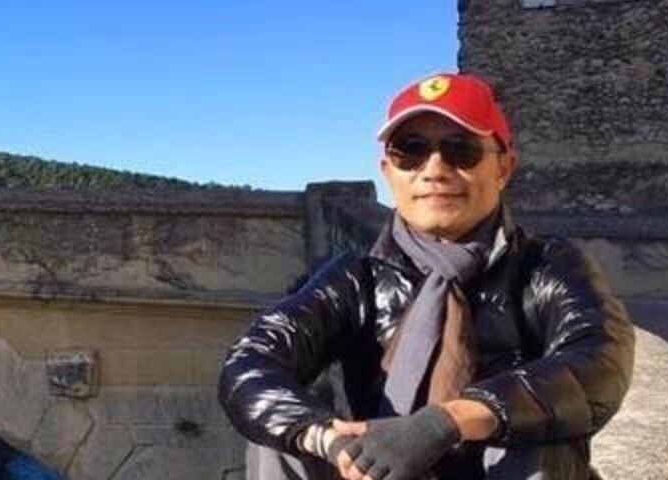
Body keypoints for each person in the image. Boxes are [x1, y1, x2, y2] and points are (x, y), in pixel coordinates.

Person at [218, 73, 634, 480]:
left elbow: (600, 360)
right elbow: (252, 361)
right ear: (388, 170)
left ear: (504, 167)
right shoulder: (357, 278)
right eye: (410, 151)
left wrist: (447, 421)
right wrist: (328, 439)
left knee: (538, 433)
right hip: (379, 469)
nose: (434, 169)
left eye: (461, 150)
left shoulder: (546, 266)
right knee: (279, 438)